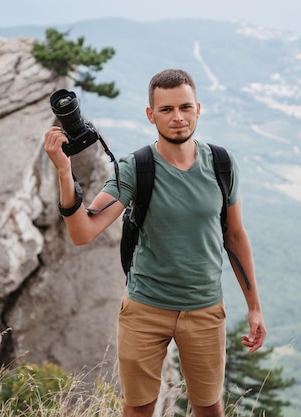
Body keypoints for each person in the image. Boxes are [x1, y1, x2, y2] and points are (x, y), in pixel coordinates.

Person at [44, 68, 266, 417]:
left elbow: (235, 236)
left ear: (198, 109)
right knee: (139, 409)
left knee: (209, 408)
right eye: (166, 109)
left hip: (205, 309)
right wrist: (62, 170)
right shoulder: (136, 168)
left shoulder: (222, 164)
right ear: (151, 115)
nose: (178, 117)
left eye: (185, 107)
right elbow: (82, 231)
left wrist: (254, 306)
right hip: (145, 311)